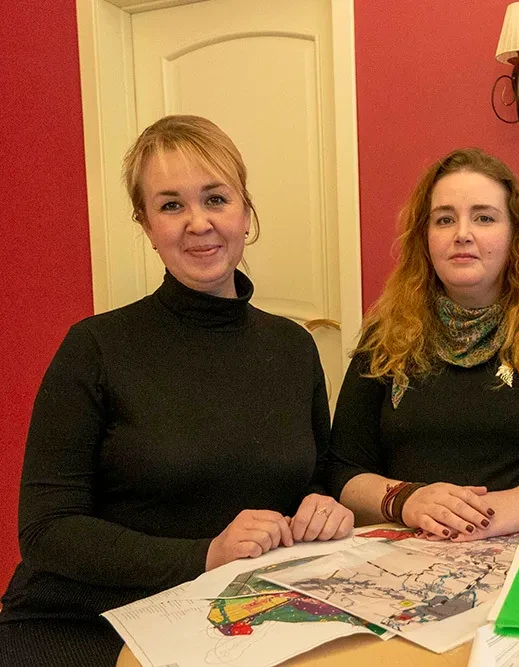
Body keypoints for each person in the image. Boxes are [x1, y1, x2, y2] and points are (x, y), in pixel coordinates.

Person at [0, 115, 353, 666]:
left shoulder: (292, 348)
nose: (198, 223)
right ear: (145, 224)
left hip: (225, 619)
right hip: (85, 622)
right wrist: (205, 555)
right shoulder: (95, 347)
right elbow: (47, 530)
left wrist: (321, 506)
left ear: (245, 211)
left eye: (215, 199)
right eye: (171, 205)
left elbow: (311, 477)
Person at [329, 148, 519, 541]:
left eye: (484, 217)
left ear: (514, 234)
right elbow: (342, 469)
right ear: (425, 237)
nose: (462, 234)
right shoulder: (386, 336)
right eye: (444, 219)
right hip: (409, 555)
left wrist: (517, 505)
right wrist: (405, 499)